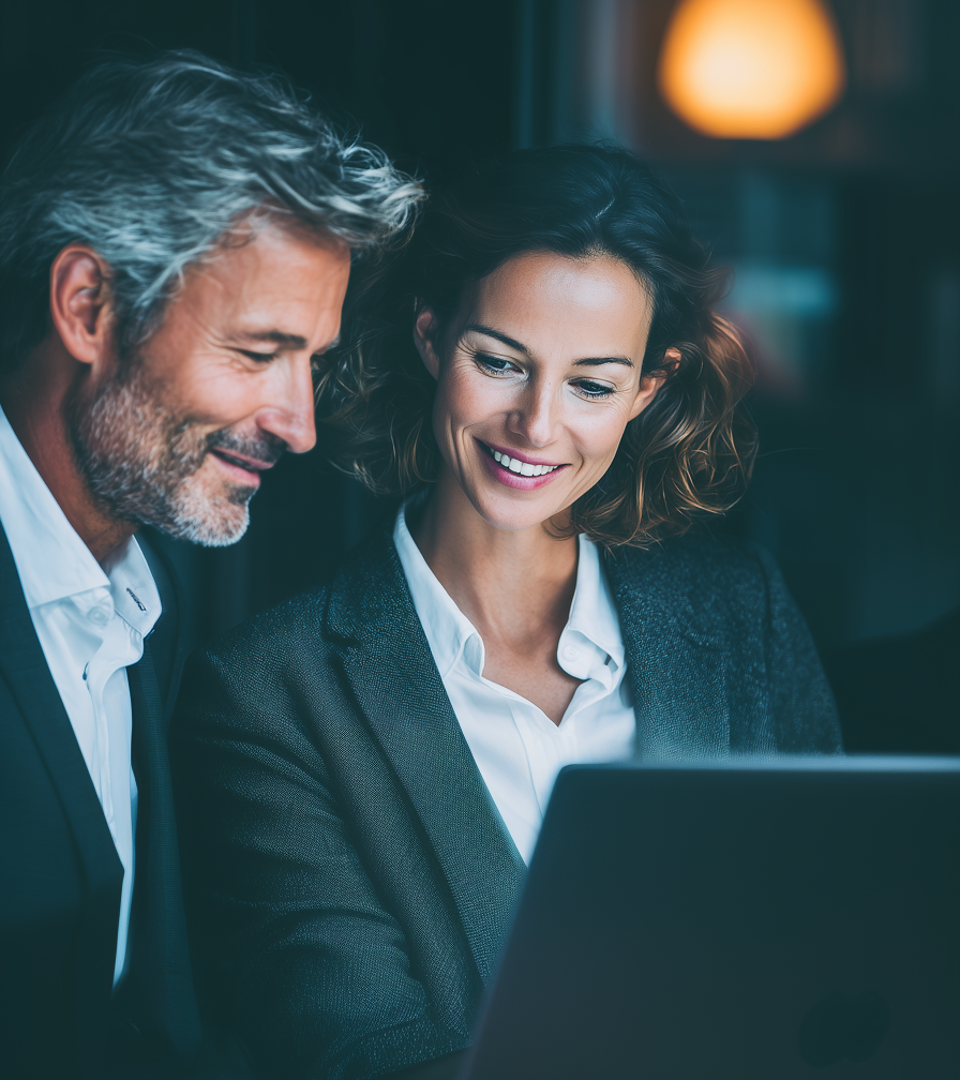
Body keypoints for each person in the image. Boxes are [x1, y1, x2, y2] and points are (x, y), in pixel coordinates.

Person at [174, 145, 842, 1080]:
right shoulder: (266, 694)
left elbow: (837, 952)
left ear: (648, 391)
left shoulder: (741, 611)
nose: (536, 425)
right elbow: (361, 1050)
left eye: (593, 384)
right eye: (499, 361)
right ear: (430, 339)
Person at [0, 50, 420, 1079]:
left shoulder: (153, 602)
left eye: (310, 362)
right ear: (89, 304)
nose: (301, 423)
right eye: (257, 350)